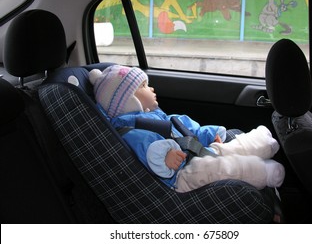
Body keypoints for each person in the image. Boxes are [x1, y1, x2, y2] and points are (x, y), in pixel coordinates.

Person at [89, 65, 285, 192]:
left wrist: (210, 135)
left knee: (224, 149)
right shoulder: (130, 129)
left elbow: (188, 129)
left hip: (193, 154)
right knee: (217, 167)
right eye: (144, 86)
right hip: (180, 176)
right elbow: (145, 148)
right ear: (128, 100)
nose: (152, 89)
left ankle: (262, 143)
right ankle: (263, 173)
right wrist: (164, 157)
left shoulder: (159, 116)